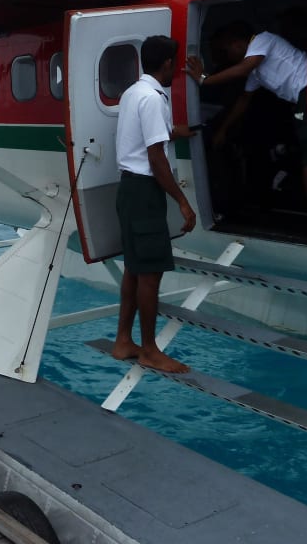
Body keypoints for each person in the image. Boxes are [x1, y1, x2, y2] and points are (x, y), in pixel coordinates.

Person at [185, 22, 307, 235]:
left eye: (226, 51)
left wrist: (204, 80)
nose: (227, 57)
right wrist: (223, 130)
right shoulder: (256, 72)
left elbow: (244, 67)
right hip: (304, 95)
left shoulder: (263, 39)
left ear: (237, 44)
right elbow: (244, 100)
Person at [113, 35, 196, 373]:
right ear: (167, 63)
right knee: (150, 274)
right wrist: (182, 202)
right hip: (145, 192)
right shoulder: (152, 98)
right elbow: (156, 157)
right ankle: (149, 349)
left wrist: (175, 132)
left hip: (129, 190)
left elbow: (147, 136)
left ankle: (123, 341)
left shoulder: (133, 93)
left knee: (134, 268)